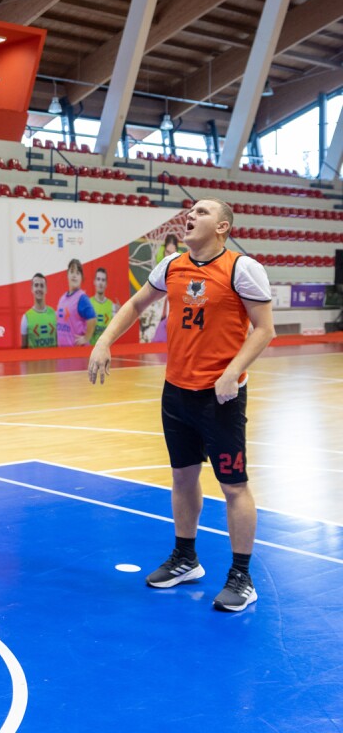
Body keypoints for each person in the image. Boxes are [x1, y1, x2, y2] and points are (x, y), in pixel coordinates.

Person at [88, 198, 275, 613]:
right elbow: (137, 304)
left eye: (202, 212)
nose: (191, 216)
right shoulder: (171, 265)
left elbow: (264, 330)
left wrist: (233, 371)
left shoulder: (242, 269)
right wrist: (104, 340)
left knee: (233, 486)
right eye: (190, 212)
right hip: (176, 392)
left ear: (223, 226)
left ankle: (242, 577)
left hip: (221, 396)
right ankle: (186, 559)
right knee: (183, 477)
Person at [56, 258, 96, 346]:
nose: (74, 275)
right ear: (67, 275)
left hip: (76, 353)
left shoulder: (82, 298)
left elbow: (92, 318)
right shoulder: (62, 299)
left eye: (78, 273)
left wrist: (86, 338)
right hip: (63, 352)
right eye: (72, 272)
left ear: (81, 278)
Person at [20, 273, 57, 348]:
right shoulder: (26, 318)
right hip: (33, 360)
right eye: (36, 285)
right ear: (32, 289)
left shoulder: (55, 314)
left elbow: (59, 344)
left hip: (53, 360)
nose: (39, 288)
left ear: (46, 289)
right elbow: (23, 350)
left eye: (42, 285)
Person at [89, 267, 115, 344]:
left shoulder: (112, 306)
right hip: (90, 350)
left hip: (106, 349)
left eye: (103, 280)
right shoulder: (88, 304)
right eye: (98, 279)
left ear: (106, 284)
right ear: (94, 282)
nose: (100, 283)